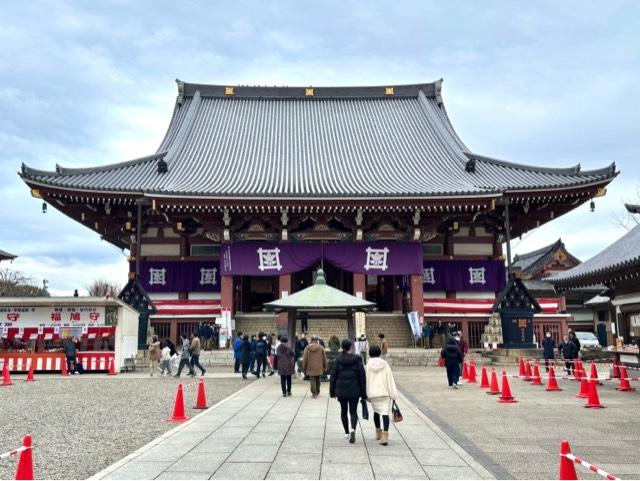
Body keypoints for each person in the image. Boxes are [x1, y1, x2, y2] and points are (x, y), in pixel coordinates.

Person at [330, 339, 367, 444]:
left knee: (343, 411)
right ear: (351, 347)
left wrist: (332, 392)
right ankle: (353, 430)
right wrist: (364, 394)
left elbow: (333, 376)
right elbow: (362, 377)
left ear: (342, 347)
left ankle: (346, 432)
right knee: (353, 411)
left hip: (341, 391)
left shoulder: (338, 360)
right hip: (354, 391)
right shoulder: (357, 360)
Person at [366, 345, 398, 446]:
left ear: (370, 353)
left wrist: (365, 394)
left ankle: (378, 433)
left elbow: (365, 380)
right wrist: (393, 394)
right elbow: (390, 380)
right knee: (385, 413)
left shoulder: (368, 366)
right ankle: (385, 435)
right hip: (384, 393)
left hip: (373, 394)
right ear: (379, 353)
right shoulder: (385, 365)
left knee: (376, 412)